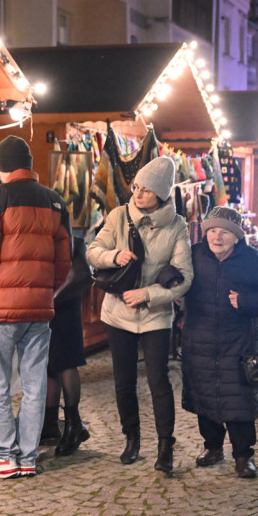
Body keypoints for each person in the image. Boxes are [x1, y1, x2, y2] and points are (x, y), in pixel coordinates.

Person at [0, 136, 71, 478]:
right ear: (28, 163)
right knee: (35, 383)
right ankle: (27, 456)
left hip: (0, 309)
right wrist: (46, 292)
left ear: (2, 165)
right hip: (40, 309)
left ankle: (2, 455)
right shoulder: (55, 201)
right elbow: (63, 262)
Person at [87, 156, 193, 472]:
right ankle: (131, 438)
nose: (139, 194)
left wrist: (147, 295)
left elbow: (185, 277)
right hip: (117, 312)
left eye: (147, 190)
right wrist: (114, 255)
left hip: (156, 314)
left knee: (159, 380)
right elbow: (92, 252)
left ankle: (165, 446)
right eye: (137, 187)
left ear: (162, 194)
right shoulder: (119, 216)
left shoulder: (177, 226)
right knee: (124, 381)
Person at [181, 206, 258, 478]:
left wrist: (246, 301)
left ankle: (243, 455)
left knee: (238, 399)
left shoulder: (251, 259)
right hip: (199, 339)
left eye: (224, 232)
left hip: (238, 342)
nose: (217, 236)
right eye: (212, 230)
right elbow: (175, 275)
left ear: (237, 237)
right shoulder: (194, 255)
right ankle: (212, 447)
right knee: (205, 397)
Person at [42, 233, 93, 455]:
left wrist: (51, 301)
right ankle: (50, 424)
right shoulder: (43, 235)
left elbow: (83, 275)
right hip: (46, 307)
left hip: (64, 308)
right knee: (49, 365)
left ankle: (74, 425)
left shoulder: (74, 240)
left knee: (65, 363)